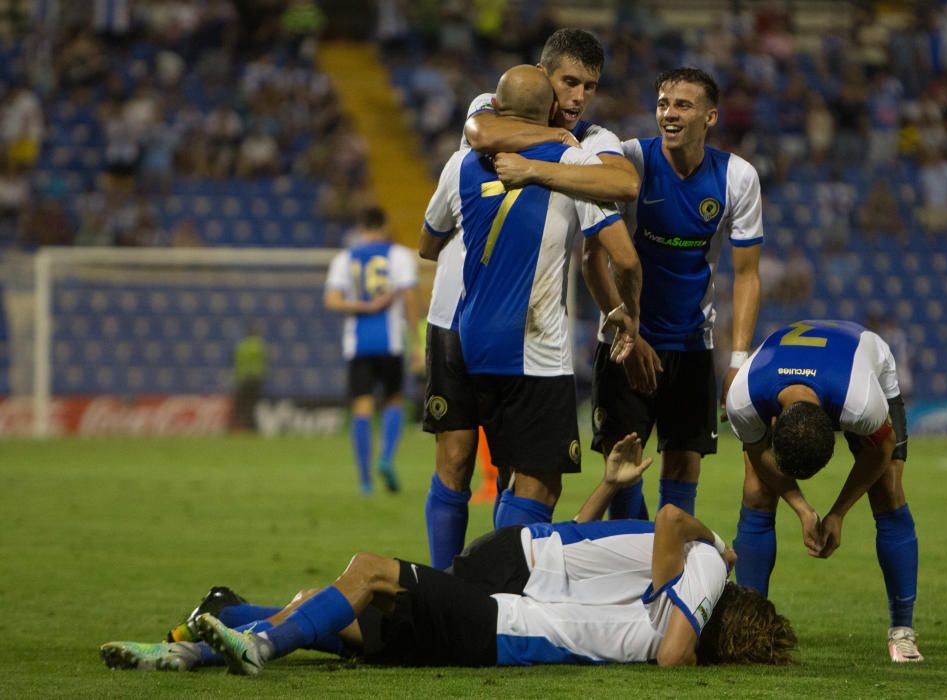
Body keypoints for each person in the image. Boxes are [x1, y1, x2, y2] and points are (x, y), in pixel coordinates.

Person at [99, 442, 797, 673]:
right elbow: (596, 557)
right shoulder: (665, 599)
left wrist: (719, 549)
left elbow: (674, 524)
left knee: (369, 573)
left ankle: (253, 638)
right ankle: (209, 628)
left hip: (510, 613)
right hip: (518, 609)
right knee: (358, 626)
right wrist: (609, 494)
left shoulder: (698, 582)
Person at [422, 28, 641, 571]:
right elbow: (476, 130)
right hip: (453, 315)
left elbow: (621, 182)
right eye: (569, 82)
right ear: (543, 79)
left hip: (511, 323)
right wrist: (556, 150)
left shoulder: (592, 141)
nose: (578, 96)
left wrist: (552, 159)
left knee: (518, 464)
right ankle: (455, 586)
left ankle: (482, 586)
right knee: (457, 458)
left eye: (589, 87)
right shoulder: (497, 108)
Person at [582, 67, 763, 521]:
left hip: (691, 346)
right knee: (623, 469)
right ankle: (635, 574)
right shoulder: (630, 162)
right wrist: (626, 327)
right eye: (663, 103)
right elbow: (592, 259)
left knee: (683, 467)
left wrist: (738, 361)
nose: (669, 113)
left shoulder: (736, 178)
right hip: (625, 344)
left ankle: (667, 575)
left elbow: (747, 275)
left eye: (683, 104)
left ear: (711, 116)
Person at [724, 320, 922, 663]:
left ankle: (902, 632)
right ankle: (751, 630)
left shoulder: (862, 405)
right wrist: (802, 508)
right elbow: (758, 454)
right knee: (756, 489)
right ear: (774, 422)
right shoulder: (742, 398)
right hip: (793, 366)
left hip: (862, 360)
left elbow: (881, 449)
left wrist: (838, 513)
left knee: (888, 491)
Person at [324, 206, 423, 494]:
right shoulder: (399, 255)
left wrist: (362, 306)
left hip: (358, 342)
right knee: (393, 401)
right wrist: (416, 342)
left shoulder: (345, 258)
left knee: (362, 407)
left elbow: (331, 300)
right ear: (385, 226)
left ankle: (365, 480)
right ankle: (386, 458)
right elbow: (409, 298)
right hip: (390, 340)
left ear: (361, 226)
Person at [230, 321, 267, 432]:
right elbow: (264, 362)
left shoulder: (241, 346)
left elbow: (236, 363)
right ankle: (252, 427)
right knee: (252, 406)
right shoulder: (260, 346)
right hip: (256, 380)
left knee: (242, 405)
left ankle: (238, 427)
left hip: (243, 380)